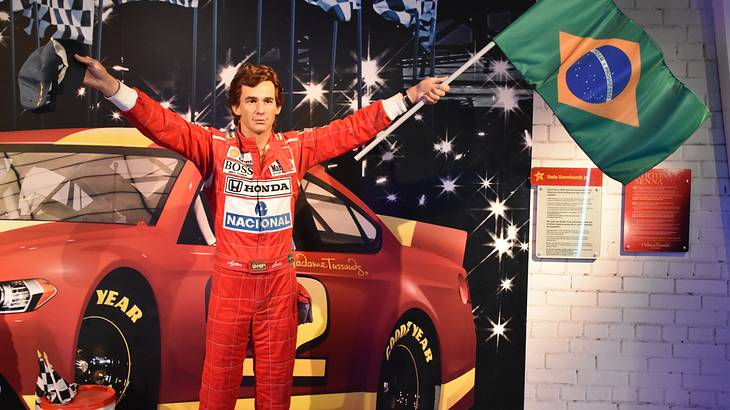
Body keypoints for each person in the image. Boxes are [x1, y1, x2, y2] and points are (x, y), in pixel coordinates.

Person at [74, 53, 449, 410]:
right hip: (230, 285)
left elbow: (352, 129)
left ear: (279, 107)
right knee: (217, 390)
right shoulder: (215, 148)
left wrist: (409, 96)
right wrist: (111, 87)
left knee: (275, 393)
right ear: (236, 107)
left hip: (278, 286)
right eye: (251, 100)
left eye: (268, 101)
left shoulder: (296, 148)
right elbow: (162, 123)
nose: (260, 109)